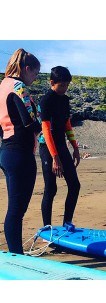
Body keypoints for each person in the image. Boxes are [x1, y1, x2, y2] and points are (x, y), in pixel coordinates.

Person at [0, 48, 41, 254]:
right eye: (34, 73)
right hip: (20, 154)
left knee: (15, 209)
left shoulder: (2, 86)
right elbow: (29, 122)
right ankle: (16, 255)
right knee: (17, 209)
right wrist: (42, 124)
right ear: (26, 69)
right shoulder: (19, 87)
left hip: (7, 151)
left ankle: (16, 253)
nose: (34, 78)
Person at [37, 66, 81, 227]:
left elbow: (67, 125)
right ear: (52, 83)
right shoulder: (46, 101)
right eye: (62, 85)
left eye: (67, 85)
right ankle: (47, 228)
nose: (65, 88)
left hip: (61, 145)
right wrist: (55, 158)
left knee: (75, 186)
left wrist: (75, 147)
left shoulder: (65, 100)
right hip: (47, 147)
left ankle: (67, 222)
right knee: (51, 188)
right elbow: (46, 131)